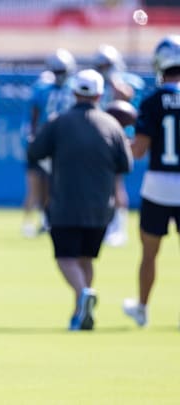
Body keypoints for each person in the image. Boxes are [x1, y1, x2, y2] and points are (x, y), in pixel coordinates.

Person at [28, 69, 132, 331]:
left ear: (74, 92)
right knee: (86, 259)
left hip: (65, 204)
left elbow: (34, 151)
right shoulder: (112, 124)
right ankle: (80, 313)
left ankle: (83, 292)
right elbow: (126, 164)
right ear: (99, 93)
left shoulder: (59, 121)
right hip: (100, 208)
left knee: (65, 258)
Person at [122, 35, 180, 328]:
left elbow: (140, 149)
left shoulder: (153, 100)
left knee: (149, 253)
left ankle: (143, 309)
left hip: (158, 183)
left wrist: (120, 143)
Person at [92, 44, 147, 247]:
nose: (103, 69)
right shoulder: (99, 84)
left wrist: (113, 78)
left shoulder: (126, 81)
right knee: (103, 187)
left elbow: (127, 97)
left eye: (107, 65)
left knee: (116, 184)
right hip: (101, 138)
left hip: (122, 139)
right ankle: (108, 225)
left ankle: (119, 228)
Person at [23, 48, 76, 237]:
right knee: (36, 184)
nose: (60, 75)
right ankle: (31, 222)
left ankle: (54, 220)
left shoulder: (74, 89)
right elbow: (34, 116)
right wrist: (33, 138)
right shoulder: (42, 88)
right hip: (45, 142)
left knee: (60, 186)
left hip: (64, 144)